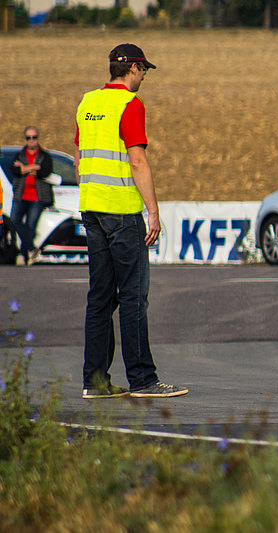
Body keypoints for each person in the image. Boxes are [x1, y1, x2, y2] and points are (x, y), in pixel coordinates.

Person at [74, 43, 187, 399]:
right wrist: (153, 211)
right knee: (134, 297)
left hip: (92, 210)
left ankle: (95, 382)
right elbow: (137, 161)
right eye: (145, 70)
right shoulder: (130, 104)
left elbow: (79, 157)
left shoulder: (88, 102)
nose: (145, 77)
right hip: (122, 213)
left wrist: (92, 194)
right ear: (134, 68)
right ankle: (143, 379)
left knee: (100, 298)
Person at [10, 126, 54, 265]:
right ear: (25, 139)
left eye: (34, 137)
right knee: (14, 220)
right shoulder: (19, 155)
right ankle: (31, 249)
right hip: (21, 195)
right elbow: (15, 170)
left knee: (31, 225)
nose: (31, 140)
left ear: (38, 138)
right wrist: (34, 167)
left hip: (38, 197)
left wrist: (24, 168)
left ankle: (24, 256)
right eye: (28, 137)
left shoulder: (44, 156)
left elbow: (45, 171)